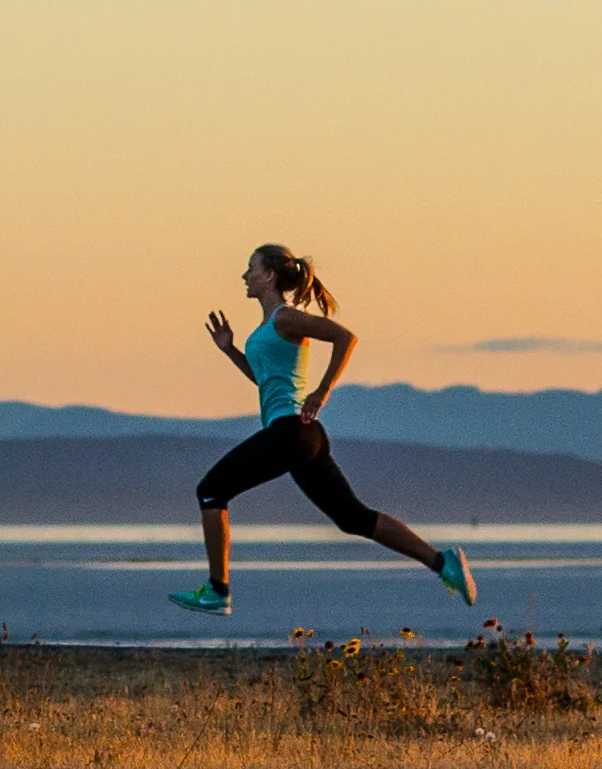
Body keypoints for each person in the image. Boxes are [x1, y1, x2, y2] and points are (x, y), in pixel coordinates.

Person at [170, 245, 477, 617]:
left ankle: (218, 591)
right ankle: (442, 563)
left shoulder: (285, 319)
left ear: (268, 276)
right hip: (302, 435)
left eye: (250, 269)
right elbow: (265, 381)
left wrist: (322, 389)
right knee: (352, 518)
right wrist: (231, 350)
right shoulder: (267, 328)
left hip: (290, 432)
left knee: (210, 490)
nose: (244, 276)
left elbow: (345, 337)